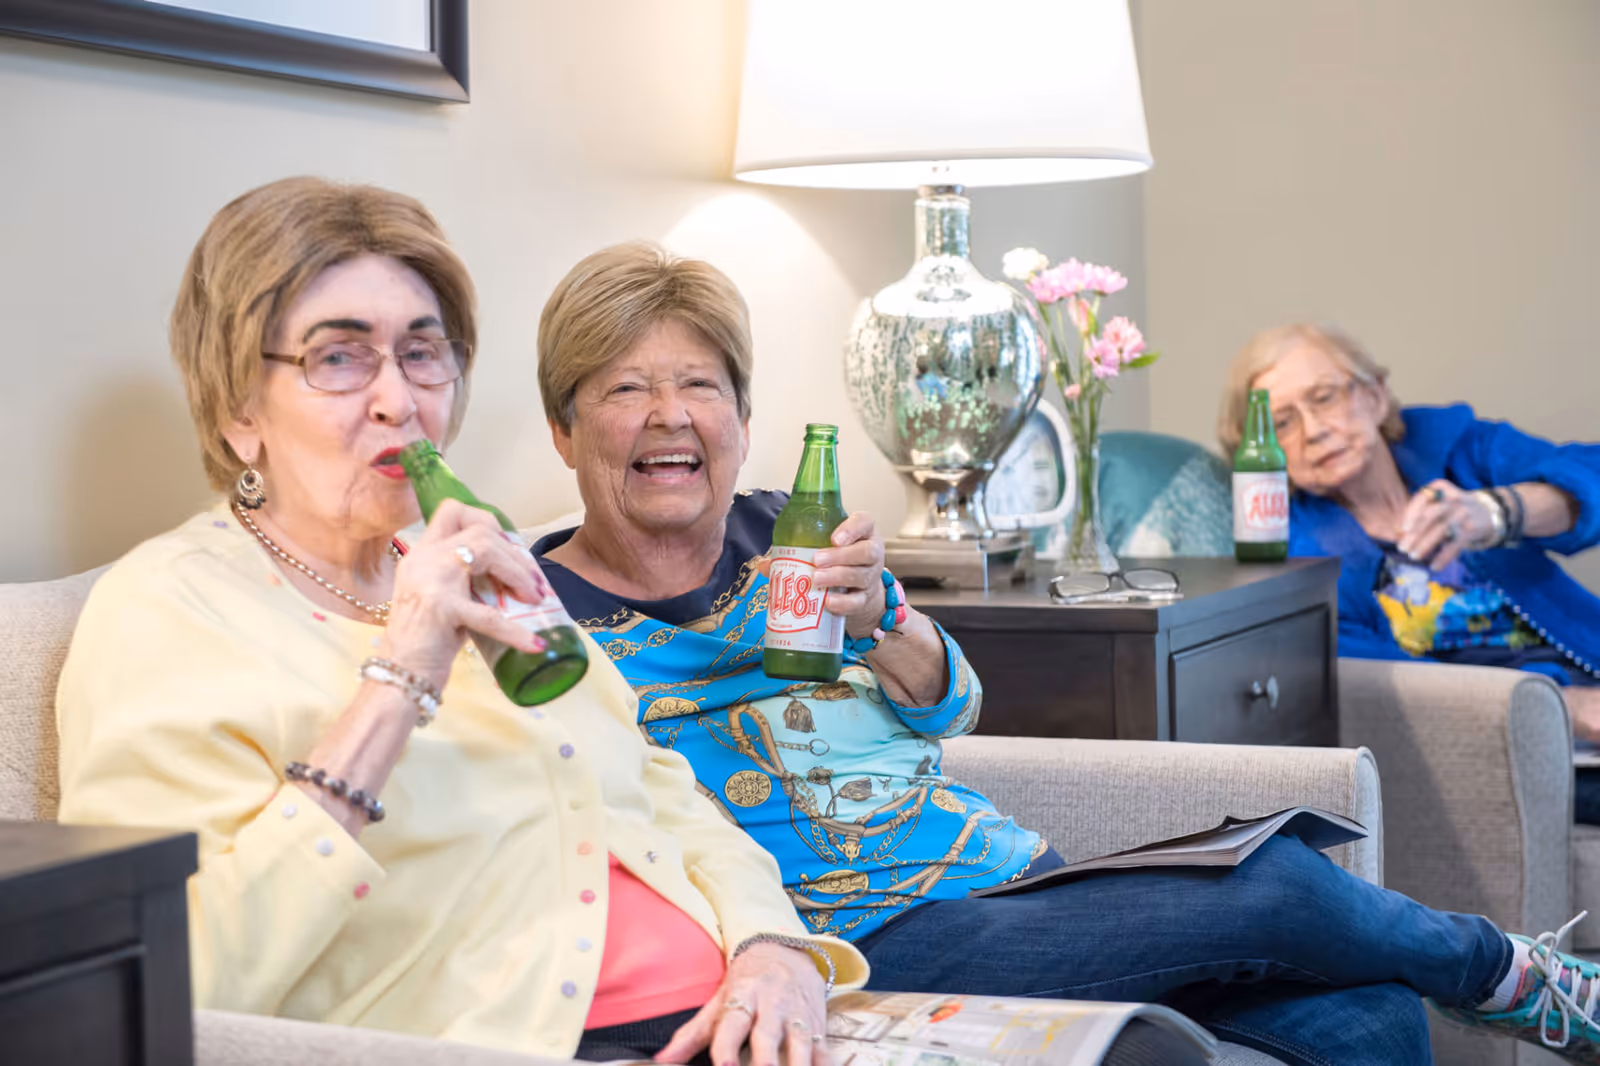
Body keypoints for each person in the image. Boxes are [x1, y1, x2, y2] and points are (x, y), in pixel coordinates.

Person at [531, 241, 1600, 1066]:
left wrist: (888, 622)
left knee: (1365, 1010)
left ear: (740, 413)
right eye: (625, 388)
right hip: (863, 935)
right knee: (1272, 882)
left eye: (700, 385)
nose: (669, 414)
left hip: (1010, 877)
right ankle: (1509, 972)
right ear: (564, 429)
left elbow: (954, 707)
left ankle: (1477, 977)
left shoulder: (793, 527)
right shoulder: (542, 622)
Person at [54, 178, 868, 1066]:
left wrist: (774, 950)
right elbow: (177, 984)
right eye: (338, 358)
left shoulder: (467, 559)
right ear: (237, 408)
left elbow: (656, 785)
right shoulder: (169, 611)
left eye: (423, 351)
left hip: (733, 1019)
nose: (398, 400)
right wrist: (399, 677)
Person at [1219, 324, 1600, 825]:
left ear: (1375, 395)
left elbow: (1587, 473)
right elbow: (1397, 689)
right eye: (1283, 422)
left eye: (1325, 397)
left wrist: (1500, 510)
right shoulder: (1295, 559)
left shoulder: (1456, 449)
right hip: (1518, 738)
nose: (1313, 430)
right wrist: (1560, 704)